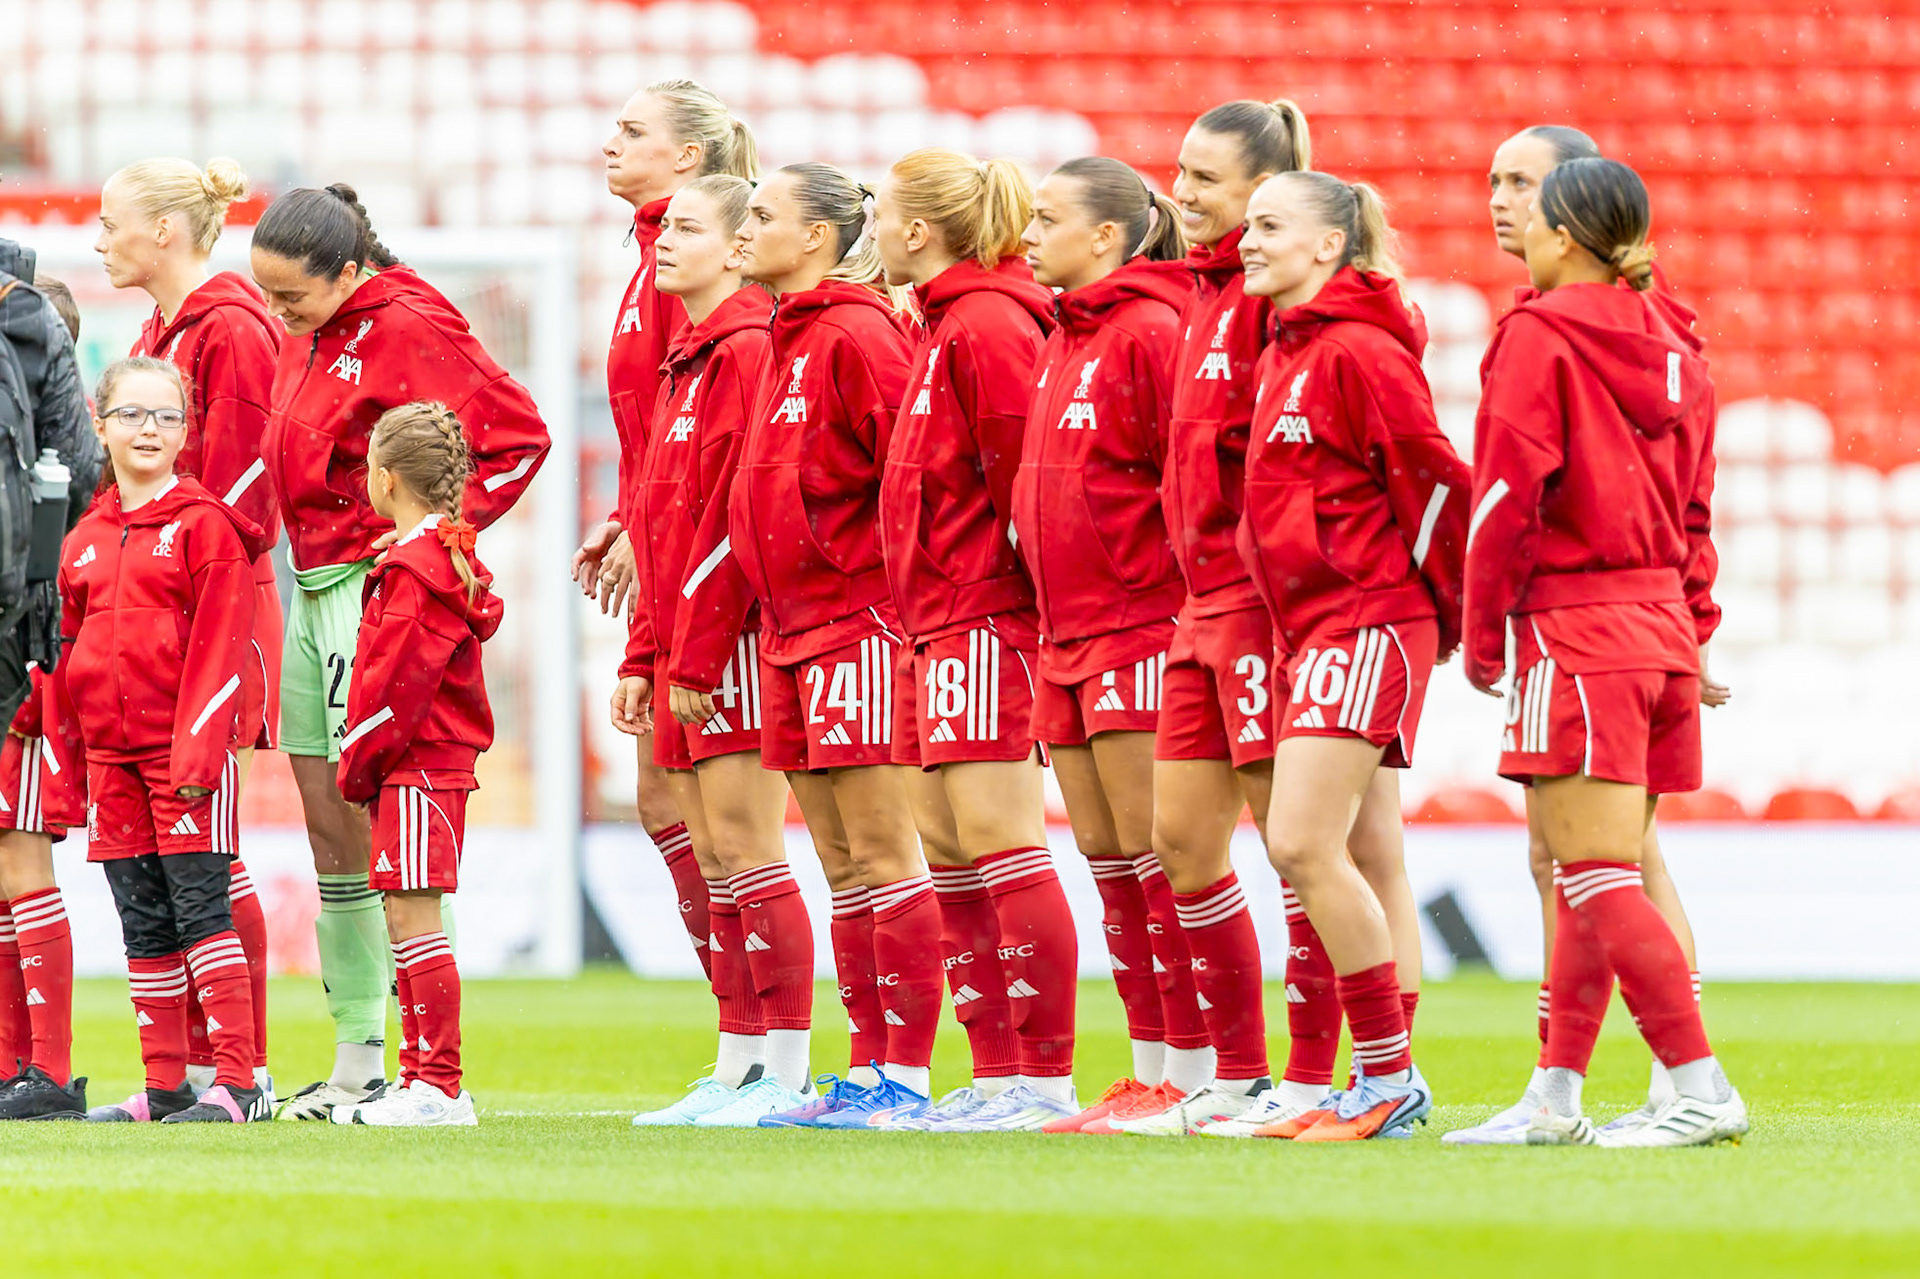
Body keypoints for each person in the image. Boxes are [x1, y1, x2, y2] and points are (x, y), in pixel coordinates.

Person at [1463, 156, 1745, 1147]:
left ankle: (1698, 1085)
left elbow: (1505, 492)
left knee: (1589, 871)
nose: (1512, 220)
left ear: (1567, 235)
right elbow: (1698, 505)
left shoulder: (1537, 334)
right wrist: (1695, 625)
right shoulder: (1675, 342)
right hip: (1658, 623)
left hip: (1575, 628)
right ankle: (1556, 1096)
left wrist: (1482, 623)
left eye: (1525, 205)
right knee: (1593, 865)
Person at [252, 184, 549, 1119]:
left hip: (361, 592)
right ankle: (357, 1058)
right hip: (310, 586)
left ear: (348, 272)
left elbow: (520, 438)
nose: (279, 312)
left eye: (292, 297)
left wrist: (434, 536)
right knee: (331, 830)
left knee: (392, 836)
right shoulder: (321, 323)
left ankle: (427, 1068)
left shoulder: (412, 322)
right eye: (268, 295)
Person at [1144, 99, 1365, 1139]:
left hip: (1269, 610)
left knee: (1296, 845)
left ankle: (1317, 1075)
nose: (1181, 192)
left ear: (1263, 197)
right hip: (1196, 611)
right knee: (1181, 842)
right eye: (1179, 172)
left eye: (1206, 180)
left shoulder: (1282, 302)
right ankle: (1235, 1076)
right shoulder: (1196, 297)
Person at [1235, 171, 1469, 1141]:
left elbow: (1440, 485)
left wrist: (1447, 618)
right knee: (1369, 852)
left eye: (1269, 225)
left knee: (1298, 843)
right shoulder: (1289, 350)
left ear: (1329, 247)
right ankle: (1378, 1077)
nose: (1247, 241)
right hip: (1318, 625)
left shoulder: (1362, 351)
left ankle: (1385, 1074)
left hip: (1365, 620)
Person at [706, 161, 937, 1127]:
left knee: (885, 852)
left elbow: (913, 472)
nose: (743, 230)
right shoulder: (790, 336)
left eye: (762, 216)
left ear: (816, 239)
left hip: (861, 623)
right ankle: (866, 1066)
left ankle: (910, 1075)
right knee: (841, 861)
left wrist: (895, 600)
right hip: (796, 630)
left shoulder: (857, 333)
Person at [871, 148, 1087, 1133]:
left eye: (880, 211)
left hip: (983, 615)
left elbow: (1026, 483)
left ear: (917, 230)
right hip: (930, 621)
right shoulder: (943, 323)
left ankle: (1042, 1078)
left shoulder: (992, 323)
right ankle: (998, 1072)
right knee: (952, 853)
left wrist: (1026, 617)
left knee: (1001, 844)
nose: (871, 227)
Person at [1006, 156, 1216, 1134]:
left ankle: (1200, 1067)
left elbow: (1188, 487)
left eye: (1050, 219)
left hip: (1138, 627)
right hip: (1068, 636)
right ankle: (1147, 1068)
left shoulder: (1149, 332)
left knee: (1157, 856)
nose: (1031, 232)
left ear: (1109, 237)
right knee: (1111, 863)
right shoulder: (1064, 335)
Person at [97, 154, 281, 1099]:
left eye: (112, 221)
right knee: (170, 855)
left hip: (214, 604)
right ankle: (197, 1069)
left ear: (165, 229)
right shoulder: (166, 329)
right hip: (153, 610)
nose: (99, 239)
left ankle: (238, 1070)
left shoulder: (233, 328)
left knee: (206, 849)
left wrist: (168, 549)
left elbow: (247, 493)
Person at [574, 81, 760, 979]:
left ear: (689, 158)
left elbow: (700, 429)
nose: (610, 142)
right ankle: (742, 1031)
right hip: (662, 539)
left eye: (632, 130)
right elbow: (655, 421)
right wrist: (624, 520)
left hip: (700, 558)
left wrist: (656, 539)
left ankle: (763, 1032)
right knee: (665, 800)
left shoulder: (693, 269)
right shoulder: (653, 259)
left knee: (716, 818)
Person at [607, 175, 781, 1125]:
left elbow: (730, 517)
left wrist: (696, 651)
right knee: (714, 850)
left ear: (738, 246)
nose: (664, 241)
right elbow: (661, 523)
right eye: (663, 226)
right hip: (684, 637)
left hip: (736, 639)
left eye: (685, 228)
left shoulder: (748, 347)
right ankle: (740, 1060)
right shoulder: (690, 354)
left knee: (745, 849)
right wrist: (644, 649)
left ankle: (778, 1065)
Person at [62, 358, 264, 1123]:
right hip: (112, 765)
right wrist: (74, 758)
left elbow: (223, 647)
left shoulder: (205, 526)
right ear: (101, 421)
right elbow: (71, 650)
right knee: (141, 920)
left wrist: (197, 754)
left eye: (167, 416)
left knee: (201, 910)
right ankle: (165, 1084)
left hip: (184, 765)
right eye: (134, 414)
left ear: (186, 430)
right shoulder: (84, 537)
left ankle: (238, 1083)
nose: (150, 429)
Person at [329, 403, 499, 1127]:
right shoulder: (425, 561)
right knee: (405, 913)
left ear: (386, 479)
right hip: (417, 764)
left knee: (416, 914)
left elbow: (393, 688)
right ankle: (420, 1074)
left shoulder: (414, 572)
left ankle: (442, 1083)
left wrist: (356, 762)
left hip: (418, 765)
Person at [0, 249, 99, 1121]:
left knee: (22, 860)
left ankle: (50, 1067)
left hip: (27, 673)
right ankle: (14, 1064)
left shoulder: (56, 478)